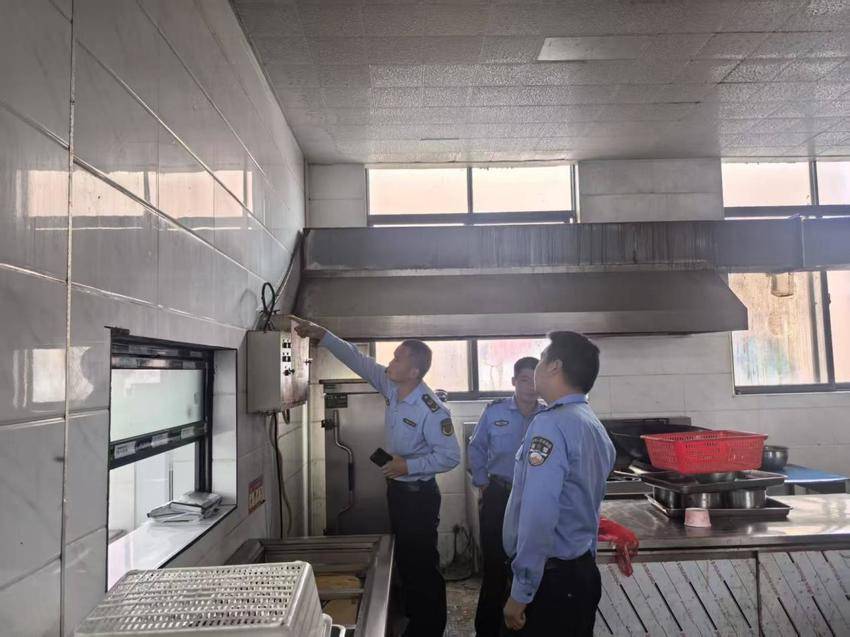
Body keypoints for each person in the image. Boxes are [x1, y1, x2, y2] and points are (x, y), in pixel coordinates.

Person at [291, 316, 460, 637]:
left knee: (422, 564)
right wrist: (324, 335)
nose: (390, 363)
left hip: (419, 497)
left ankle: (430, 628)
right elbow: (359, 360)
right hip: (398, 492)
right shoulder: (392, 387)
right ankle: (414, 618)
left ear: (414, 371)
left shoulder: (432, 410)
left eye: (397, 359)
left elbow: (450, 457)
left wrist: (407, 467)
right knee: (407, 560)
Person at [501, 331, 616, 636]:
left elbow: (539, 515)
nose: (537, 368)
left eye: (541, 359)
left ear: (554, 366)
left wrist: (521, 591)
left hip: (551, 584)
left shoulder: (550, 425)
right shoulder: (591, 422)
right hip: (579, 574)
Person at [468, 357, 544, 637]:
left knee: (530, 564)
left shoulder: (548, 415)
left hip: (534, 499)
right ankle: (487, 630)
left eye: (535, 380)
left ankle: (523, 626)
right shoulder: (494, 411)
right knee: (495, 566)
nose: (530, 386)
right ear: (513, 382)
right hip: (499, 495)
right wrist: (483, 483)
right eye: (524, 380)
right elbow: (476, 447)